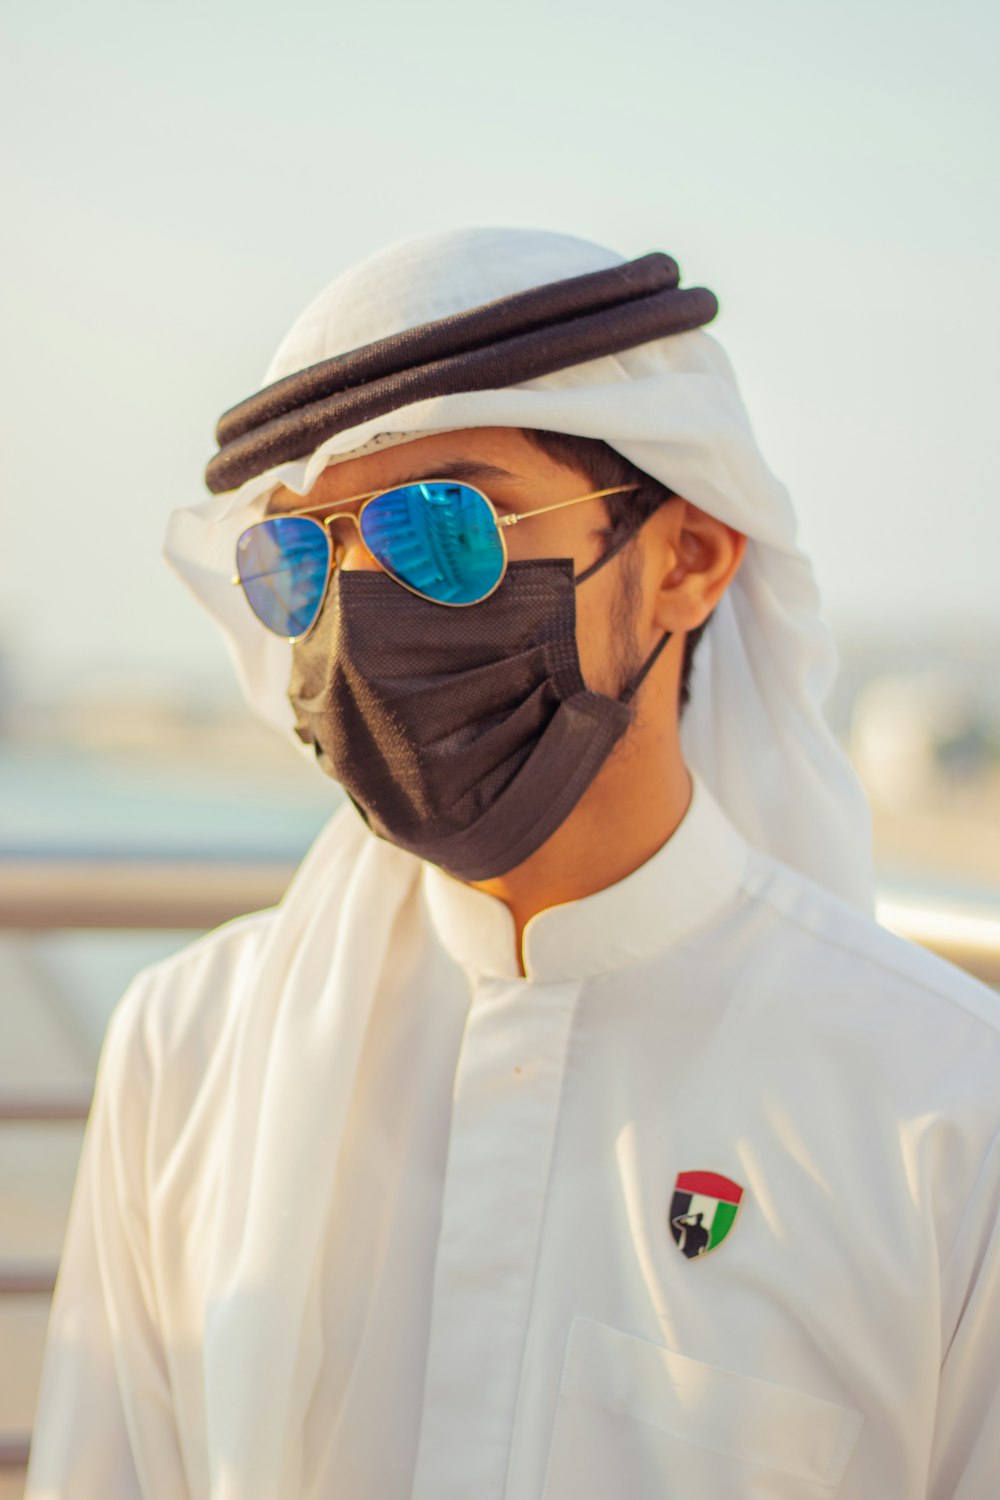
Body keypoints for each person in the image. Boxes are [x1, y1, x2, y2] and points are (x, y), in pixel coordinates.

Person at [27, 228, 1000, 1500]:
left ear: (687, 560)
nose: (361, 599)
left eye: (442, 525)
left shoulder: (945, 1111)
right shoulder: (188, 1048)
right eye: (302, 557)